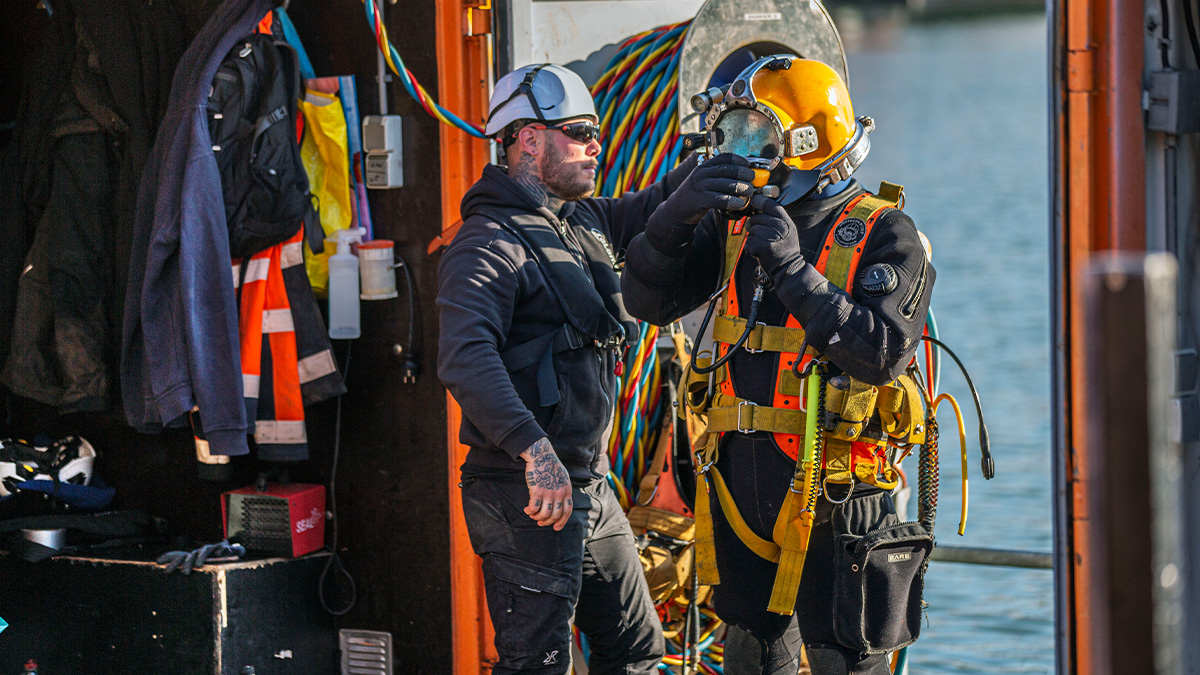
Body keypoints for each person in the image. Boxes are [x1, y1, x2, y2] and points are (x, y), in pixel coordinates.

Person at [436, 63, 755, 674]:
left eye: (598, 134)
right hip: (524, 491)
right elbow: (464, 357)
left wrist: (724, 154)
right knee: (537, 663)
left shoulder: (580, 221)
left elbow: (655, 208)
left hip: (587, 484)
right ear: (528, 139)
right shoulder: (485, 244)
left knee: (635, 648)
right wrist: (535, 452)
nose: (596, 146)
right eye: (580, 132)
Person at [621, 56, 936, 675]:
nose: (741, 155)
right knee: (750, 655)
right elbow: (648, 302)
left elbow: (881, 353)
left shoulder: (885, 234)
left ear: (805, 146)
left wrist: (794, 272)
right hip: (743, 484)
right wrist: (669, 221)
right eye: (732, 136)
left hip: (841, 493)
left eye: (756, 138)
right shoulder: (737, 228)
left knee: (841, 656)